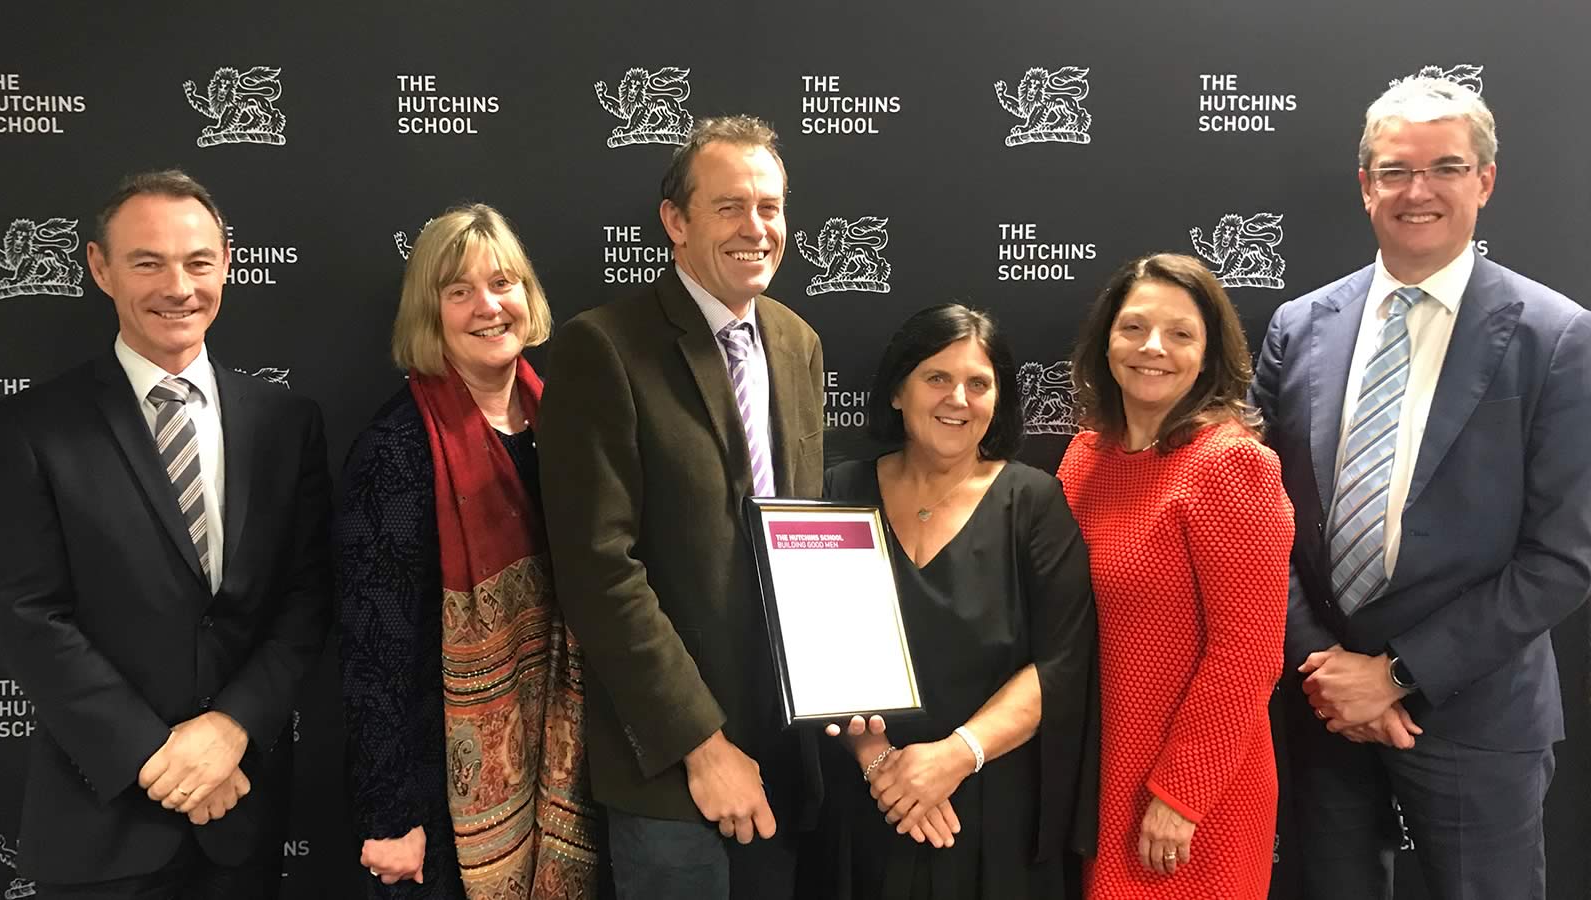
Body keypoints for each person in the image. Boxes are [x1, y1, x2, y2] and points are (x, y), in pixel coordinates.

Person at [1251, 76, 1591, 900]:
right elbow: (1258, 521)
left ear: (1485, 180)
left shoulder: (1557, 338)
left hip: (1478, 713)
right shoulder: (1300, 328)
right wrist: (1328, 670)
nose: (1419, 191)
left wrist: (1396, 674)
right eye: (1395, 170)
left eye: (1445, 167)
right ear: (1366, 184)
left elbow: (1564, 557)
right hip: (1321, 704)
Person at [0, 169, 332, 897]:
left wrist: (232, 729)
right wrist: (158, 759)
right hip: (100, 821)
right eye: (148, 262)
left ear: (228, 265)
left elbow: (307, 599)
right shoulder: (31, 430)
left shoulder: (285, 423)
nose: (178, 285)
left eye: (198, 261)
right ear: (99, 268)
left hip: (243, 816)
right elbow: (27, 615)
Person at [535, 115, 825, 900]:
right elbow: (600, 572)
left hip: (787, 749)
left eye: (771, 206)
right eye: (730, 205)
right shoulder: (604, 347)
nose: (756, 228)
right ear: (676, 220)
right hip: (670, 761)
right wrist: (703, 744)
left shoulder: (797, 342)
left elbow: (802, 532)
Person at [334, 203, 595, 898]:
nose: (489, 306)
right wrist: (391, 815)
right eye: (459, 291)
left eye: (503, 283)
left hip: (567, 777)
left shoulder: (565, 426)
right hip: (440, 793)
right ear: (430, 312)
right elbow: (373, 652)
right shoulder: (394, 453)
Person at [815, 304, 1098, 900]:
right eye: (937, 378)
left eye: (978, 383)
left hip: (992, 810)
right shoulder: (839, 491)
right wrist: (880, 764)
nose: (958, 399)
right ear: (898, 389)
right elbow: (815, 643)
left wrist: (954, 757)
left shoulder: (1033, 502)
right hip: (869, 799)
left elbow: (1061, 664)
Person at [1058, 253, 1292, 899]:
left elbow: (1247, 655)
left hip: (1188, 793)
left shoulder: (1232, 467)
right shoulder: (1085, 457)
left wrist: (1181, 794)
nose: (1152, 348)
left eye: (1180, 333)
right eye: (1133, 328)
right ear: (1107, 339)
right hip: (1097, 777)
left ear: (1209, 352)